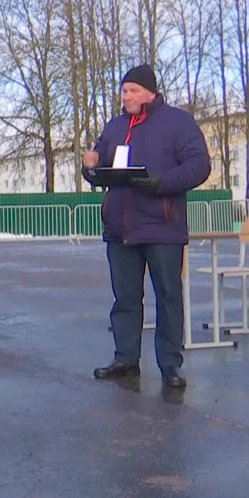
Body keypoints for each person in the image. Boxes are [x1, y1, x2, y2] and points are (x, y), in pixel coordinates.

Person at [82, 64, 210, 389]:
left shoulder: (177, 123)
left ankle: (170, 364)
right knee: (124, 298)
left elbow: (199, 165)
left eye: (134, 91)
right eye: (124, 91)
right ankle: (125, 357)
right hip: (120, 227)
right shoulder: (114, 127)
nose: (127, 96)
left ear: (151, 93)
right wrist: (91, 167)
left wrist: (160, 183)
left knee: (168, 296)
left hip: (162, 224)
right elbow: (100, 169)